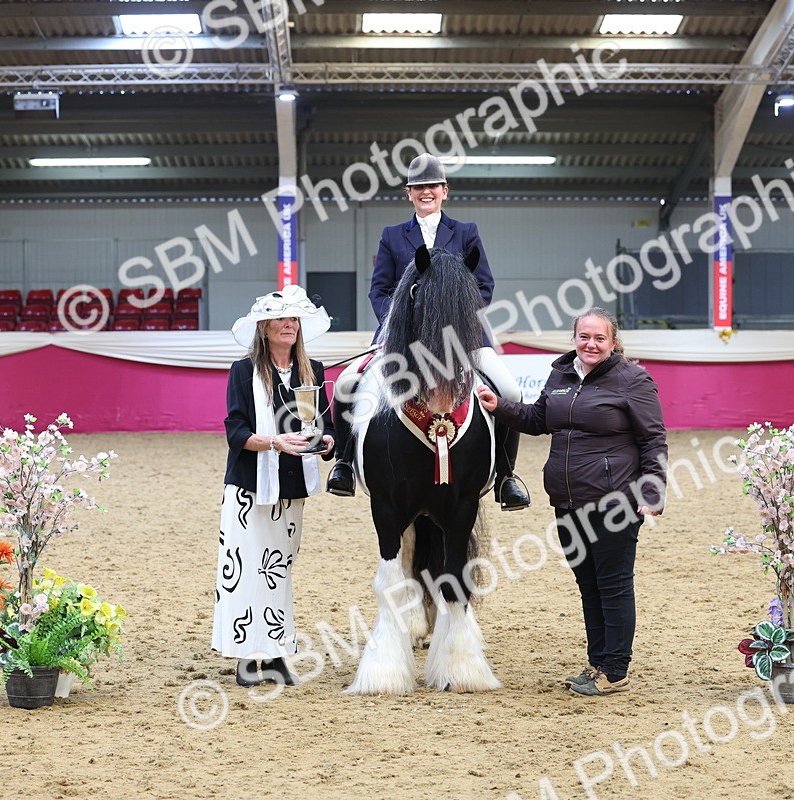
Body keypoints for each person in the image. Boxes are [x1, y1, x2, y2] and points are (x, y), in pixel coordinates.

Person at [476, 308, 667, 697]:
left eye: (599, 338)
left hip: (614, 501)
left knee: (613, 584)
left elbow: (653, 440)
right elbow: (538, 420)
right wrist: (501, 406)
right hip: (566, 500)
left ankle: (616, 670)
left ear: (613, 342)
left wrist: (652, 492)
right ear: (574, 338)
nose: (591, 344)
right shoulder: (561, 375)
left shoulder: (633, 379)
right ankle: (598, 663)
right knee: (589, 584)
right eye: (584, 337)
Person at [326, 152, 530, 511]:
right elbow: (379, 289)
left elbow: (483, 286)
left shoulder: (466, 232)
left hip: (461, 339)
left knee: (510, 389)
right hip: (403, 340)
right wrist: (401, 322)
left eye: (432, 186)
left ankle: (505, 476)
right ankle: (343, 463)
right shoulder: (392, 236)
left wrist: (454, 318)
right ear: (408, 193)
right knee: (345, 384)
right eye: (418, 187)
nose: (426, 192)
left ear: (444, 191)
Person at [213, 285, 336, 688]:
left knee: (277, 571)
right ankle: (248, 657)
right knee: (246, 570)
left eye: (294, 319)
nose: (289, 325)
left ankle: (279, 652)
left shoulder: (312, 371)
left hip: (291, 486)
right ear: (264, 328)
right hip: (250, 487)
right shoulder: (243, 371)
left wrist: (327, 440)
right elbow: (235, 432)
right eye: (282, 319)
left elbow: (323, 424)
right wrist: (274, 443)